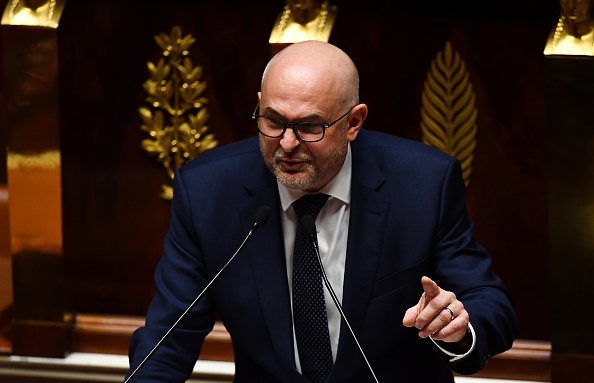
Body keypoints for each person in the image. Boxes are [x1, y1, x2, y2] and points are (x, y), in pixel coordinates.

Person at [126, 40, 518, 382]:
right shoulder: (207, 192)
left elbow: (489, 303)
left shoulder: (424, 183)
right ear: (259, 107)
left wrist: (457, 328)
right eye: (273, 121)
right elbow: (168, 336)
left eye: (310, 127)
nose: (288, 143)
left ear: (353, 122)